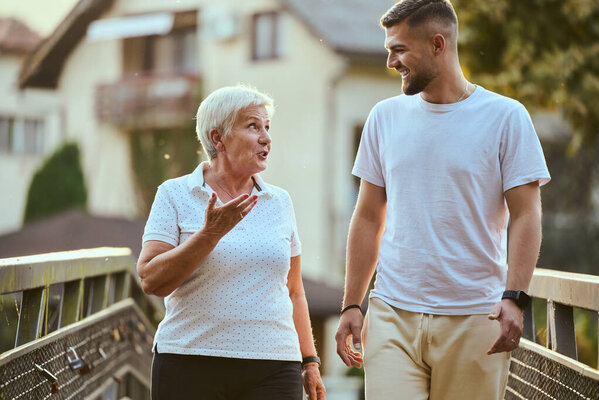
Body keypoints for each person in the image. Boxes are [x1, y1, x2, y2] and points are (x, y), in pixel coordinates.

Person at [334, 1, 550, 399]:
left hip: (476, 317)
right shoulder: (384, 118)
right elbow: (367, 217)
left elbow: (526, 214)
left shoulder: (506, 117)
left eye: (399, 50)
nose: (390, 61)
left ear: (437, 44)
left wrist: (515, 297)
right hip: (392, 314)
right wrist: (352, 304)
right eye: (388, 50)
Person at [137, 85, 326, 400]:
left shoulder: (279, 202)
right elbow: (151, 280)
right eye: (253, 126)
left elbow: (294, 290)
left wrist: (310, 361)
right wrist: (209, 234)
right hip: (190, 362)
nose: (266, 137)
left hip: (274, 366)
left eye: (267, 127)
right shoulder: (175, 194)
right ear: (217, 138)